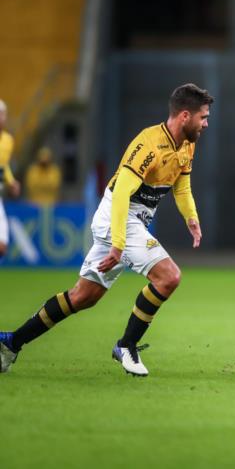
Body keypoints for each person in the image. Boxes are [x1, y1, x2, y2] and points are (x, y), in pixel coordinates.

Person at [0, 84, 213, 376]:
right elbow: (123, 193)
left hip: (132, 221)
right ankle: (126, 345)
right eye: (203, 117)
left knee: (83, 296)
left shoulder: (188, 143)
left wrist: (191, 217)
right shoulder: (148, 144)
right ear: (185, 115)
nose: (206, 123)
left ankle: (12, 342)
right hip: (117, 216)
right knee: (169, 277)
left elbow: (182, 184)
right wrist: (118, 244)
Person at [0, 99, 21, 260]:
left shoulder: (8, 140)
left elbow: (4, 165)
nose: (2, 118)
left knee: (2, 246)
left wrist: (11, 181)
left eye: (3, 114)